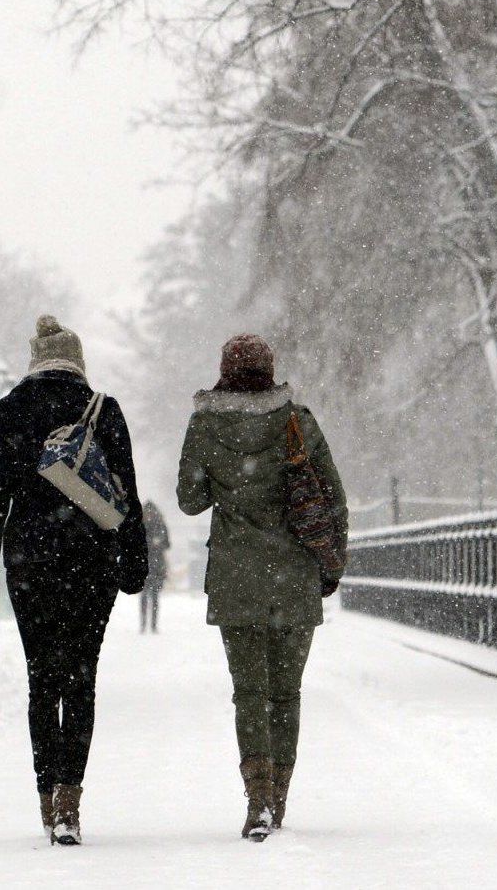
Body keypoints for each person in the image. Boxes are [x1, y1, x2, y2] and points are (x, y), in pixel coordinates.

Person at [0, 315, 148, 846]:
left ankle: (47, 799)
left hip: (31, 565)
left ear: (35, 359)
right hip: (92, 564)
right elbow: (126, 495)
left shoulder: (10, 410)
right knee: (82, 676)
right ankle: (71, 797)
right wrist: (135, 565)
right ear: (78, 362)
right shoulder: (103, 410)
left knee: (42, 680)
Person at [177, 333, 346, 841]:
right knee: (286, 694)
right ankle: (280, 797)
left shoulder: (206, 423)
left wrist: (226, 483)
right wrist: (332, 563)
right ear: (269, 369)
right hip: (294, 575)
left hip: (235, 578)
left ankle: (258, 799)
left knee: (249, 692)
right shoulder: (298, 420)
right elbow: (332, 496)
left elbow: (189, 499)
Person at [140, 500, 170, 633]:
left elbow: (167, 544)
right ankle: (147, 625)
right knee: (149, 596)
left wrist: (157, 543)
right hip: (152, 564)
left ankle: (150, 625)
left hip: (151, 565)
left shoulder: (143, 524)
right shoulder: (159, 524)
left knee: (150, 596)